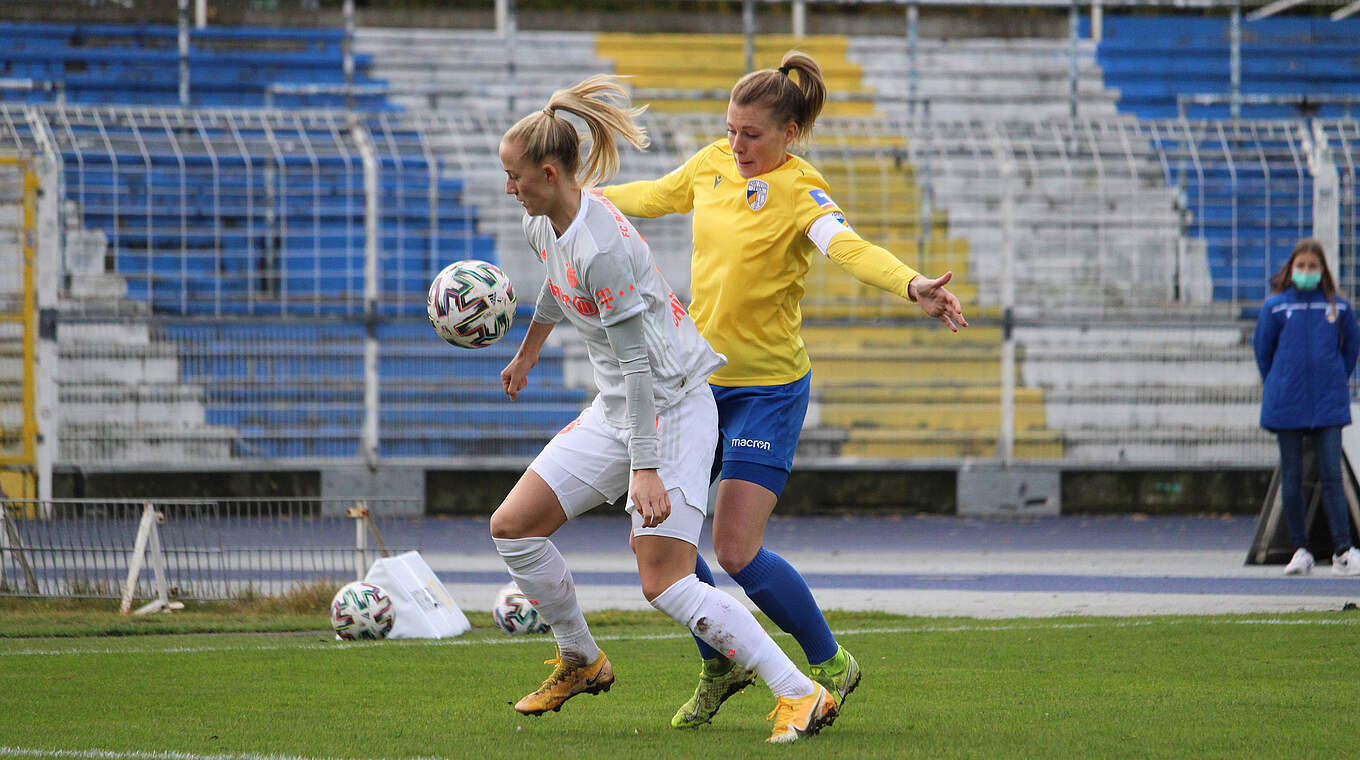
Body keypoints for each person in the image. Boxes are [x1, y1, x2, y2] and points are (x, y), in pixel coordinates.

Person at [601, 50, 967, 728]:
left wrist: (911, 282)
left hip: (767, 391)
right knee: (659, 545)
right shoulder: (712, 164)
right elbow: (654, 197)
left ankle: (830, 665)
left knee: (735, 551)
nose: (736, 145)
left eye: (753, 134)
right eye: (731, 129)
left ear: (789, 134)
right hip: (696, 387)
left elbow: (846, 246)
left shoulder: (804, 190)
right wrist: (581, 200)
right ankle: (722, 663)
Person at [489, 75, 839, 744]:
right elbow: (556, 292)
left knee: (665, 581)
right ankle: (581, 660)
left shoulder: (605, 248)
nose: (510, 187)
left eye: (514, 175)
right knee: (514, 527)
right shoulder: (546, 224)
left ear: (550, 170)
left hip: (672, 409)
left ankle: (801, 692)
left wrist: (644, 471)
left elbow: (639, 365)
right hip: (619, 409)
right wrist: (529, 353)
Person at [1254, 238, 1360, 576]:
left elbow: (1351, 349)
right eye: (1301, 266)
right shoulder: (1276, 307)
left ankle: (1343, 551)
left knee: (1331, 474)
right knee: (1292, 476)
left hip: (1327, 404)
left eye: (1312, 266)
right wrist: (1280, 382)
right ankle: (1301, 550)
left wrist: (1333, 377)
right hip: (1288, 403)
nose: (1306, 272)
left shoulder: (1339, 308)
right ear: (1291, 269)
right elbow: (1263, 351)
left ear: (1322, 270)